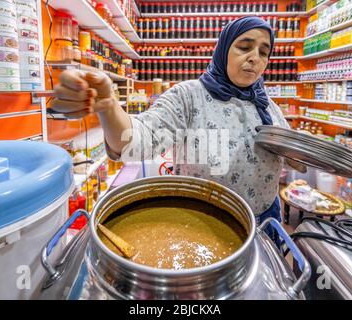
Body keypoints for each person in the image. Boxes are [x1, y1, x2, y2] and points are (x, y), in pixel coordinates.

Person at [51, 16, 303, 242]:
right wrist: (108, 106)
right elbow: (136, 141)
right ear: (223, 50)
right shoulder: (189, 96)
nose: (255, 58)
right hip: (203, 222)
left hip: (266, 222)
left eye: (264, 51)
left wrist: (308, 154)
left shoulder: (266, 104)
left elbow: (287, 154)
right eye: (244, 47)